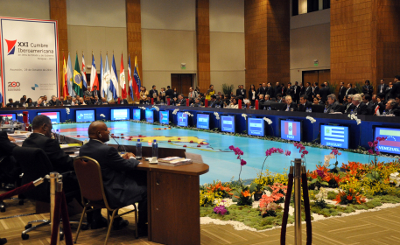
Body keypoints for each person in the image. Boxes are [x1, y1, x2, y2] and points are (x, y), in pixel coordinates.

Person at [79, 121, 147, 235]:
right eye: (106, 130)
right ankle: (142, 228)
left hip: (93, 194)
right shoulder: (107, 150)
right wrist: (132, 158)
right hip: (112, 194)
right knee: (146, 191)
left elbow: (108, 162)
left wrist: (119, 158)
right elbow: (127, 166)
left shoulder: (83, 149)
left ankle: (114, 221)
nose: (108, 132)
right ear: (99, 133)